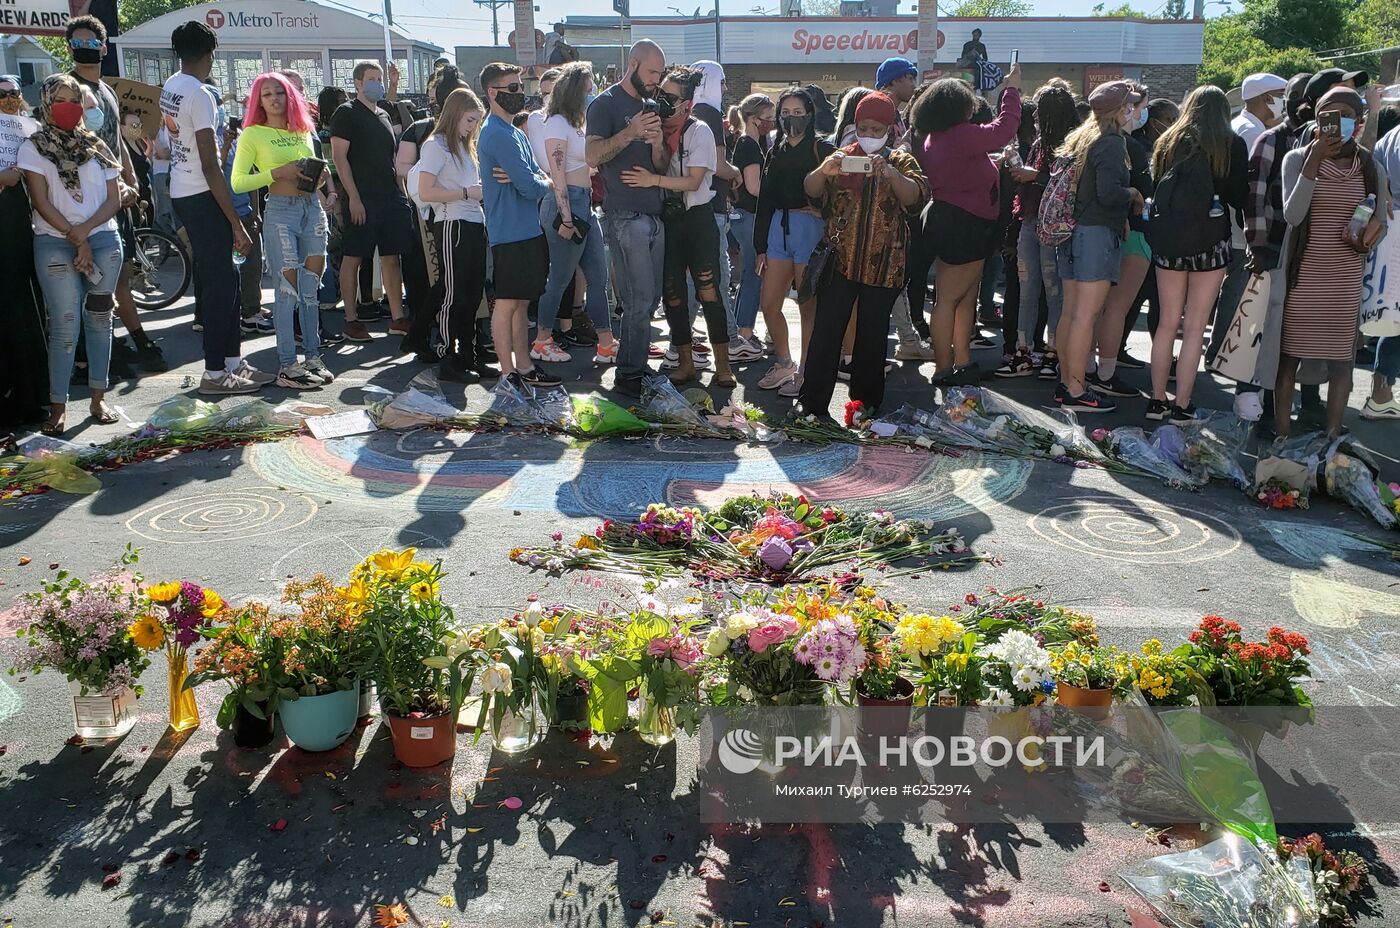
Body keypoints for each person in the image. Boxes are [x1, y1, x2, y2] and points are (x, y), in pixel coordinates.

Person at [798, 91, 927, 423]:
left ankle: (864, 406)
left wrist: (891, 175)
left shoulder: (901, 160)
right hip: (841, 262)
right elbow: (811, 189)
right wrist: (825, 170)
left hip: (885, 265)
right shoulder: (841, 157)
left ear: (889, 129)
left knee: (872, 337)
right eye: (864, 128)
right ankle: (812, 403)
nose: (869, 136)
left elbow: (916, 197)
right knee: (827, 332)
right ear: (855, 126)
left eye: (876, 129)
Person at [1276, 86, 1388, 438]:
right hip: (1304, 276)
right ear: (1317, 118)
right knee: (1288, 359)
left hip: (1346, 276)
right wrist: (1312, 164)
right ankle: (1281, 436)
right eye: (1331, 115)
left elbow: (1381, 221)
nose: (1339, 124)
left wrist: (1368, 234)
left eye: (1348, 117)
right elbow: (1293, 216)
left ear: (1358, 123)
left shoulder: (1370, 166)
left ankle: (1332, 438)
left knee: (1342, 363)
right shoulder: (1296, 159)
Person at [18, 74, 125, 434]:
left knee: (99, 319)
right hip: (55, 242)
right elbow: (40, 199)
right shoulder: (32, 147)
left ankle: (98, 398)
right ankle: (58, 406)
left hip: (105, 243)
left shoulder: (98, 146)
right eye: (61, 99)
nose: (70, 107)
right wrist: (76, 238)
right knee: (65, 326)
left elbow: (114, 199)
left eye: (75, 100)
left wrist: (86, 233)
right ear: (47, 103)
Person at [160, 21, 260, 396]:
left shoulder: (172, 85)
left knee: (227, 280)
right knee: (220, 284)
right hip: (204, 195)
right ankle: (216, 372)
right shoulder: (200, 94)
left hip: (184, 191)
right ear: (210, 54)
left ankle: (233, 364)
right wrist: (236, 222)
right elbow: (209, 162)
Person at [621, 65, 734, 387]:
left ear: (686, 103)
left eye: (669, 97)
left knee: (708, 290)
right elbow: (656, 164)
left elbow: (694, 180)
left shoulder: (699, 130)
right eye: (660, 94)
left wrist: (652, 180)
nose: (662, 100)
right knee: (672, 295)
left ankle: (723, 365)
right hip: (668, 218)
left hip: (697, 219)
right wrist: (656, 145)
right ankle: (685, 362)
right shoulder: (655, 128)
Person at [912, 68, 1022, 385]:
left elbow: (968, 166)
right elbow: (1004, 128)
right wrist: (1011, 91)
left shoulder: (938, 137)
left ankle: (962, 360)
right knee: (948, 298)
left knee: (962, 297)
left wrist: (994, 164)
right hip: (964, 223)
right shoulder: (959, 134)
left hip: (954, 219)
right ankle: (945, 367)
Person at [1146, 85, 1248, 422]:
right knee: (1194, 328)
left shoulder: (1167, 141)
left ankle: (1157, 401)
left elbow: (1156, 188)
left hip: (1169, 245)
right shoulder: (1230, 144)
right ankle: (1182, 405)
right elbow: (1238, 195)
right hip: (1211, 243)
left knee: (1166, 323)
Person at [230, 71, 334, 390]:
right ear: (258, 101)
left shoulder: (303, 129)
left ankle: (313, 357)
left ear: (291, 97)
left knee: (310, 290)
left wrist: (320, 176)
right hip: (279, 212)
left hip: (311, 211)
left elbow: (316, 168)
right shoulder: (252, 134)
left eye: (279, 93)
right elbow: (238, 182)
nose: (274, 98)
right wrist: (279, 172)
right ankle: (288, 365)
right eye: (267, 94)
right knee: (286, 292)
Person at [1049, 80, 1143, 413]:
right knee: (1085, 317)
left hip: (1071, 234)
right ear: (1120, 110)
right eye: (1130, 105)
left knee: (1072, 314)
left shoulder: (1081, 139)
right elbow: (1108, 193)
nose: (1134, 110)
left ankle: (1067, 383)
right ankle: (1076, 391)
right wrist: (1132, 195)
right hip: (1095, 235)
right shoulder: (1112, 143)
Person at [586, 39, 668, 397]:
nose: (656, 80)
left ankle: (634, 368)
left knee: (649, 301)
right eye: (652, 72)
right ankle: (629, 375)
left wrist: (657, 145)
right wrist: (630, 132)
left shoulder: (651, 105)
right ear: (632, 64)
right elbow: (591, 155)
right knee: (637, 299)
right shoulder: (604, 104)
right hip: (624, 215)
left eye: (660, 74)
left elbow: (661, 165)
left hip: (654, 212)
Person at [477, 61, 558, 388]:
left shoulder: (514, 132)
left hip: (527, 229)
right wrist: (545, 182)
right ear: (492, 92)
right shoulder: (498, 134)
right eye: (513, 88)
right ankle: (508, 372)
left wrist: (537, 178)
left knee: (521, 302)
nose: (519, 93)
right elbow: (532, 185)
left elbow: (533, 174)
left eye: (521, 87)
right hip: (509, 232)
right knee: (509, 302)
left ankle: (523, 368)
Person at [752, 88, 835, 396]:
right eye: (784, 113)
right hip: (778, 228)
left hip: (810, 231)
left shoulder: (822, 148)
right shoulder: (775, 150)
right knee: (769, 303)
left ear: (810, 114)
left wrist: (822, 212)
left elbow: (842, 192)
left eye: (797, 112)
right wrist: (759, 246)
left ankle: (806, 371)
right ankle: (785, 362)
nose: (791, 118)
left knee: (807, 306)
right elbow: (764, 200)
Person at [535, 62, 617, 367]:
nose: (591, 90)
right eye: (587, 85)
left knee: (598, 276)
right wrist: (566, 218)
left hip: (583, 202)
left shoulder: (579, 122)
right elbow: (557, 174)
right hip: (565, 203)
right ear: (574, 89)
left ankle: (606, 343)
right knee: (559, 277)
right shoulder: (557, 122)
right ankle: (542, 339)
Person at [1205, 72, 1287, 374]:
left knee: (1234, 291)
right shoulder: (1253, 132)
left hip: (1234, 226)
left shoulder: (1241, 125)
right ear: (1266, 98)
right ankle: (1221, 356)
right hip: (1245, 230)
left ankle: (1219, 354)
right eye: (1281, 95)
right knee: (1237, 292)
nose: (1284, 103)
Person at [997, 78, 1077, 379]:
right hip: (1029, 222)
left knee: (1054, 290)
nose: (1034, 117)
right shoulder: (1039, 144)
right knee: (1027, 288)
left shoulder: (1071, 145)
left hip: (1054, 228)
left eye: (1039, 111)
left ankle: (1053, 352)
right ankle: (1023, 351)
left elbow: (1068, 187)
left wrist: (1036, 177)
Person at [329, 61, 413, 342]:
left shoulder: (384, 115)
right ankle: (351, 320)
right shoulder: (346, 113)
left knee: (392, 258)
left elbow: (390, 157)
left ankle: (397, 318)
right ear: (357, 83)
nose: (376, 82)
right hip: (361, 199)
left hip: (389, 197)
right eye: (371, 79)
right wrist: (353, 198)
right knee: (353, 257)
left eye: (379, 78)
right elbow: (339, 158)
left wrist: (401, 193)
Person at [415, 86, 493, 384]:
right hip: (451, 224)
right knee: (452, 292)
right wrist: (464, 192)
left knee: (473, 294)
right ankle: (446, 354)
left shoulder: (464, 146)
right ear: (455, 114)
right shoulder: (435, 145)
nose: (472, 127)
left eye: (475, 121)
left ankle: (468, 355)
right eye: (469, 120)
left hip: (473, 222)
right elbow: (425, 191)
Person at [1087, 84, 1154, 401]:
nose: (1139, 112)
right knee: (1114, 309)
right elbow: (1124, 192)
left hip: (1107, 233)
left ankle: (1087, 369)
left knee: (1094, 310)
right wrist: (1134, 194)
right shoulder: (1124, 146)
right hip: (1129, 233)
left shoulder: (1088, 140)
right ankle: (1105, 374)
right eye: (1137, 106)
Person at [688, 60, 744, 365]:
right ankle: (731, 341)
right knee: (718, 278)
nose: (724, 88)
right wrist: (735, 173)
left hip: (692, 204)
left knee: (691, 279)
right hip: (712, 206)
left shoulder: (689, 110)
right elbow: (719, 165)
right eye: (721, 81)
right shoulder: (710, 113)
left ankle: (680, 343)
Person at [0, 74, 47, 426]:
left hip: (18, 232)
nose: (9, 100)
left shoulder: (27, 130)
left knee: (23, 309)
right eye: (1, 95)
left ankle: (30, 396)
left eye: (14, 94)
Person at [1364, 107, 1400, 420]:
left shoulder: (1388, 138)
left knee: (1393, 316)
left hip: (1389, 232)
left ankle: (1381, 391)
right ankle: (1381, 392)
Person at [730, 92, 772, 356]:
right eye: (768, 118)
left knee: (750, 274)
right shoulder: (749, 145)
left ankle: (739, 330)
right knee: (755, 274)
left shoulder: (749, 143)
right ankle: (744, 331)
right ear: (755, 119)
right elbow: (754, 187)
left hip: (744, 216)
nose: (772, 122)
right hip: (750, 216)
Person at [875, 57, 917, 134]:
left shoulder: (895, 114)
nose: (914, 85)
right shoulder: (879, 114)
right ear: (894, 81)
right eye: (910, 79)